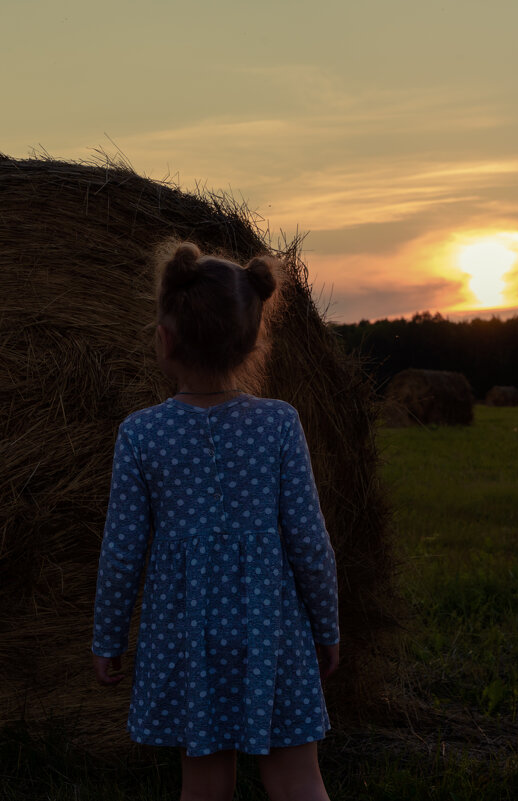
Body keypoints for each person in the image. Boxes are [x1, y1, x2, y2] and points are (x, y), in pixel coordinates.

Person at [92, 241, 340, 801]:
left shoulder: (141, 433)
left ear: (164, 339)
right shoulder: (279, 423)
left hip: (185, 635)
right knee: (298, 779)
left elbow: (123, 550)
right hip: (272, 628)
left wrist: (108, 636)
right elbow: (308, 538)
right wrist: (326, 627)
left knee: (203, 786)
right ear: (254, 341)